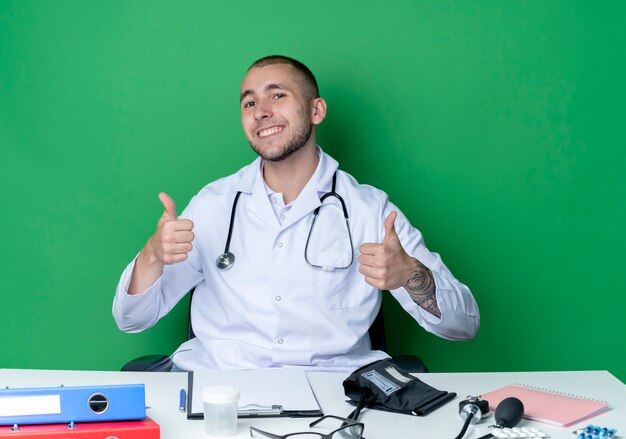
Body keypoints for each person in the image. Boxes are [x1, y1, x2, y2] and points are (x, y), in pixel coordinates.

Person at [113, 55, 479, 371]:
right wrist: (152, 255)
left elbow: (464, 324)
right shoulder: (213, 204)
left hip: (336, 397)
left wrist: (409, 274)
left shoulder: (368, 209)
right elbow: (131, 320)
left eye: (278, 95)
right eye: (249, 103)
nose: (262, 112)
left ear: (316, 110)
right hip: (220, 390)